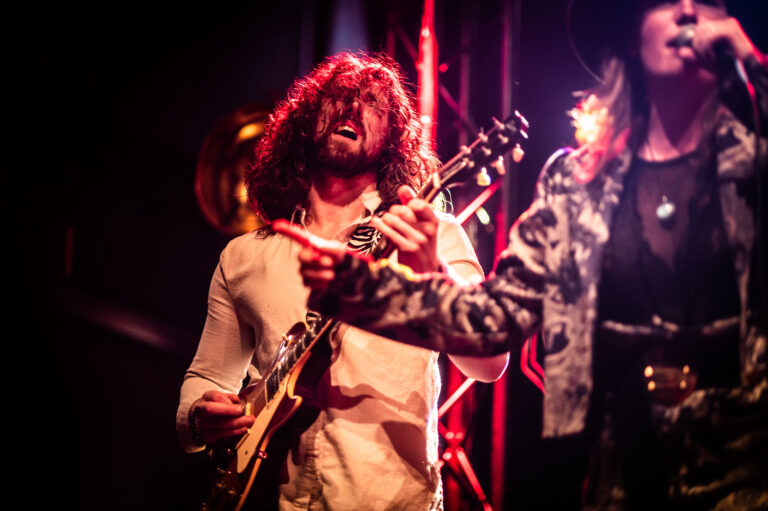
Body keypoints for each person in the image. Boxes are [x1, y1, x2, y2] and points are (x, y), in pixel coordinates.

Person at [277, 2, 768, 509]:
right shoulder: (577, 186)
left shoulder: (756, 164)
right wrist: (361, 289)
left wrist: (756, 71)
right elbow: (491, 317)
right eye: (666, 0)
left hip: (747, 484)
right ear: (627, 35)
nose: (689, 8)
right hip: (625, 483)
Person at [176, 51, 509, 511]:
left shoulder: (429, 234)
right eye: (338, 98)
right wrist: (198, 418)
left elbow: (491, 362)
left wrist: (435, 272)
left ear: (392, 139)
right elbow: (207, 376)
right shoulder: (244, 256)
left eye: (372, 103)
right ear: (307, 120)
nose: (353, 108)